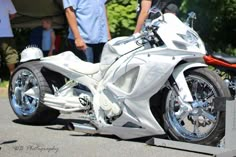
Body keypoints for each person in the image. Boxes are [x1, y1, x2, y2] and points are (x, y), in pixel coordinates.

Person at [0, 0, 19, 75]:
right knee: (10, 58)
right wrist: (7, 19)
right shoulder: (7, 1)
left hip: (6, 34)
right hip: (6, 33)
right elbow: (13, 14)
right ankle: (13, 82)